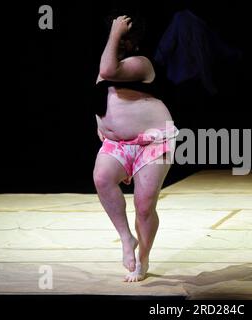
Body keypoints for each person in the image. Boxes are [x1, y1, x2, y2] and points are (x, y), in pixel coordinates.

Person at [93, 15, 178, 282]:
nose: (115, 40)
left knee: (144, 205)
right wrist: (102, 126)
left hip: (153, 141)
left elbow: (108, 72)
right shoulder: (107, 65)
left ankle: (143, 259)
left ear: (131, 42)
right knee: (102, 178)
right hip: (118, 144)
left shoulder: (141, 64)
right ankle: (126, 237)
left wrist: (118, 31)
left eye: (120, 37)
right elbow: (101, 97)